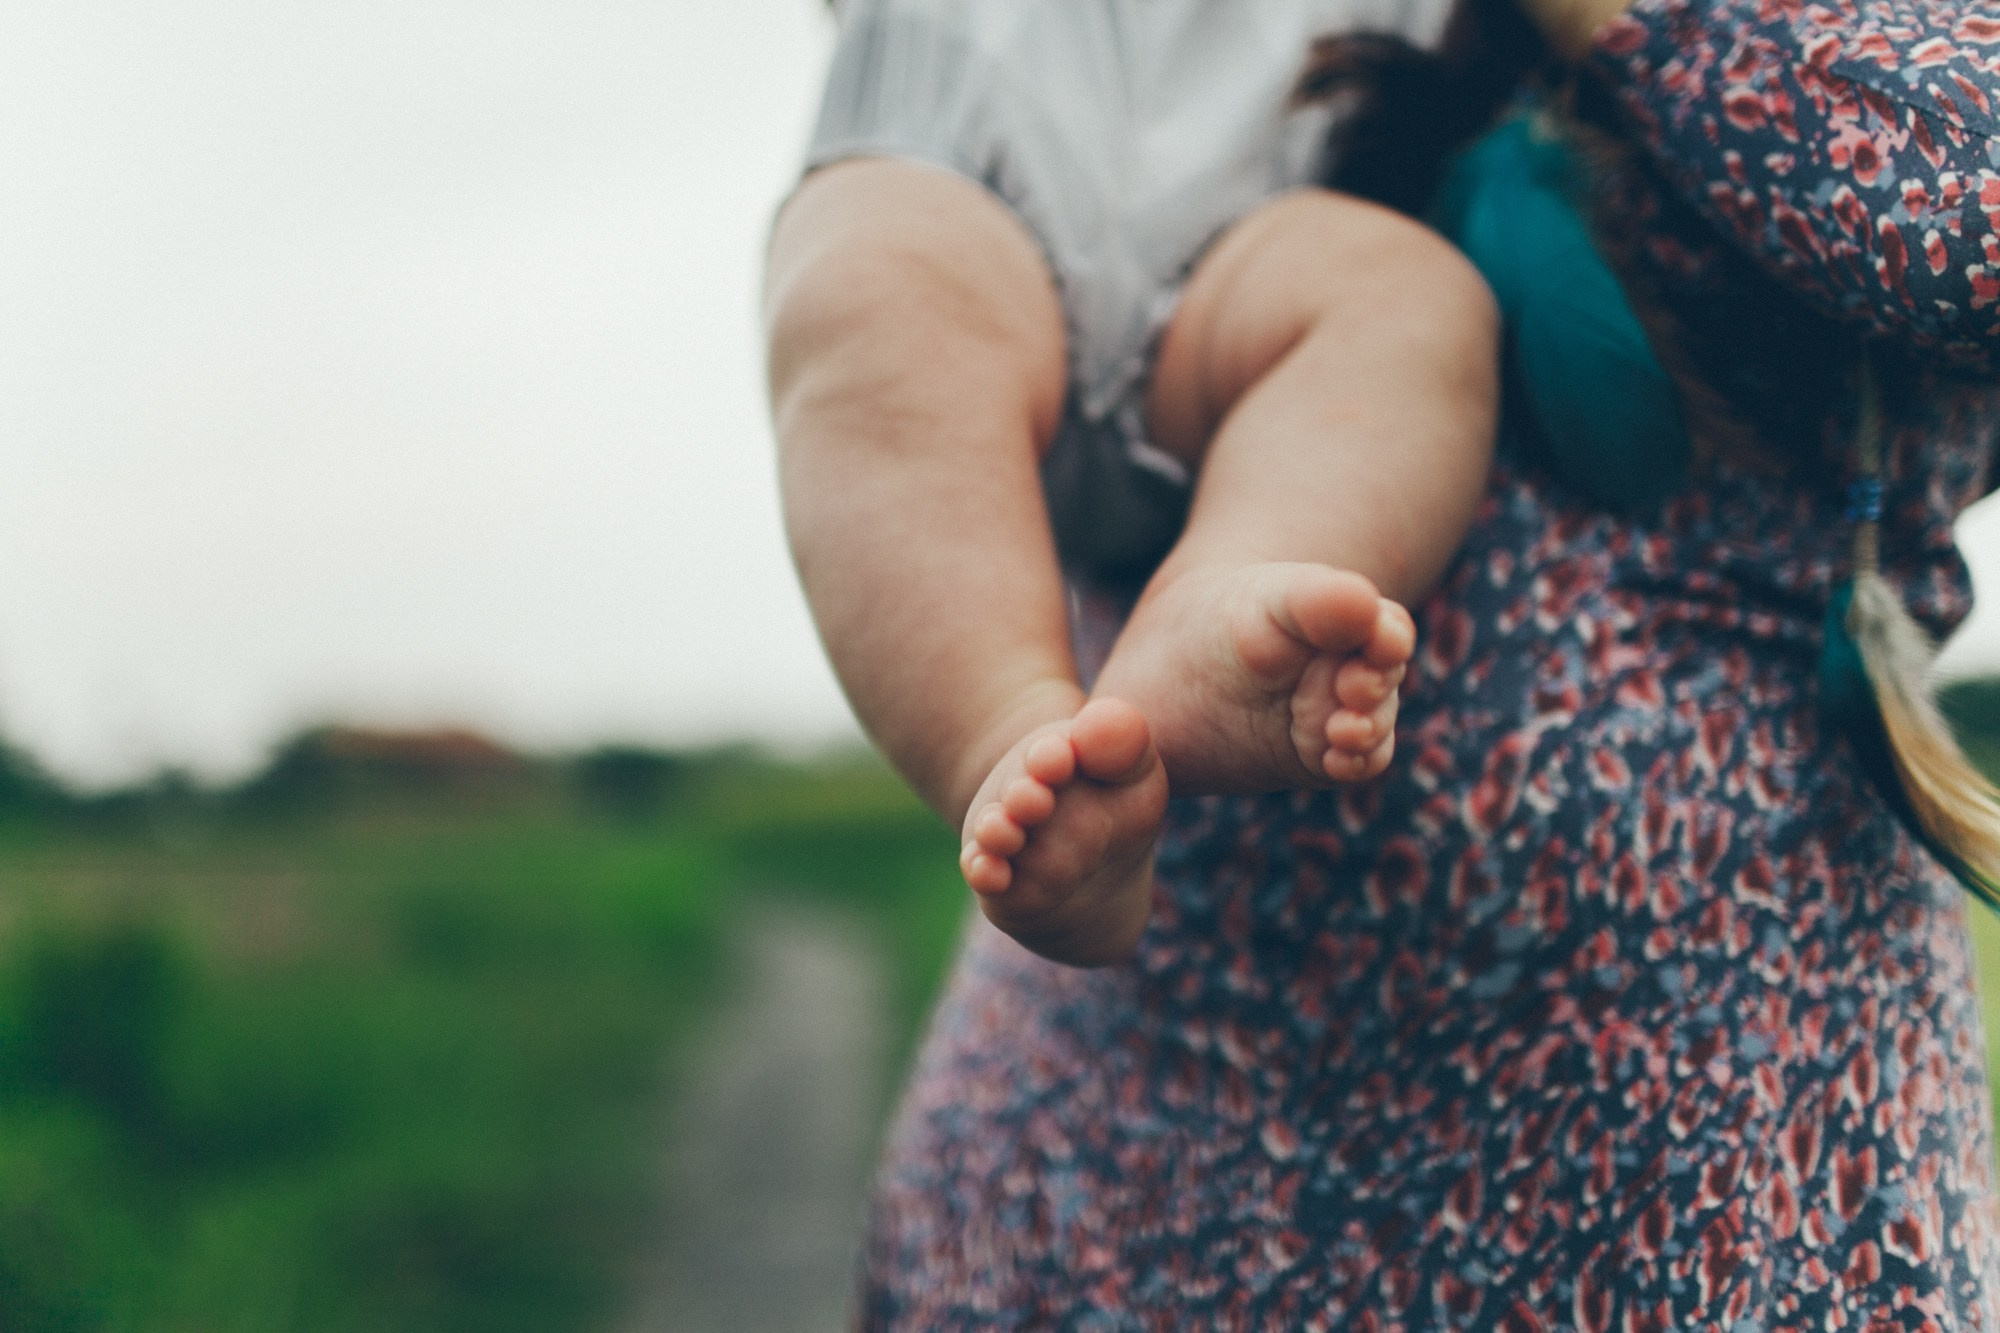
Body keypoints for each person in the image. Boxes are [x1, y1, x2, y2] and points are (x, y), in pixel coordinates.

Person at [845, 0, 2000, 1321]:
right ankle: (999, 727)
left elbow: (1965, 232)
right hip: (1141, 1092)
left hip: (1683, 1139)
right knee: (876, 298)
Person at [764, 0, 1499, 967]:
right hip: (964, 146)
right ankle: (1006, 723)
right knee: (871, 292)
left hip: (1269, 214)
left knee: (1412, 300)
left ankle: (1226, 597)